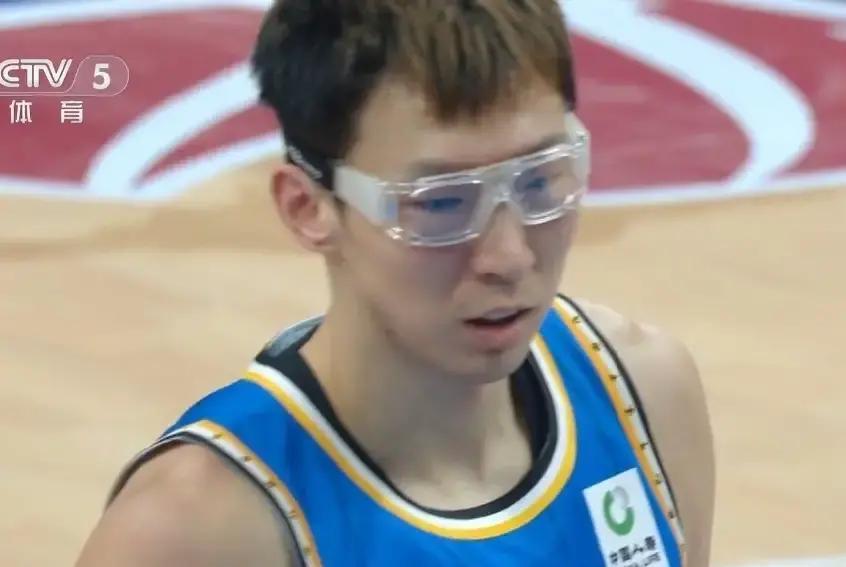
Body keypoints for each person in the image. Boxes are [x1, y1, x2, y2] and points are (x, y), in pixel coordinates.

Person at [75, 1, 715, 566]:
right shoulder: (198, 530)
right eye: (442, 203)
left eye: (540, 180)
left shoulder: (642, 394)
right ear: (308, 207)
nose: (509, 256)